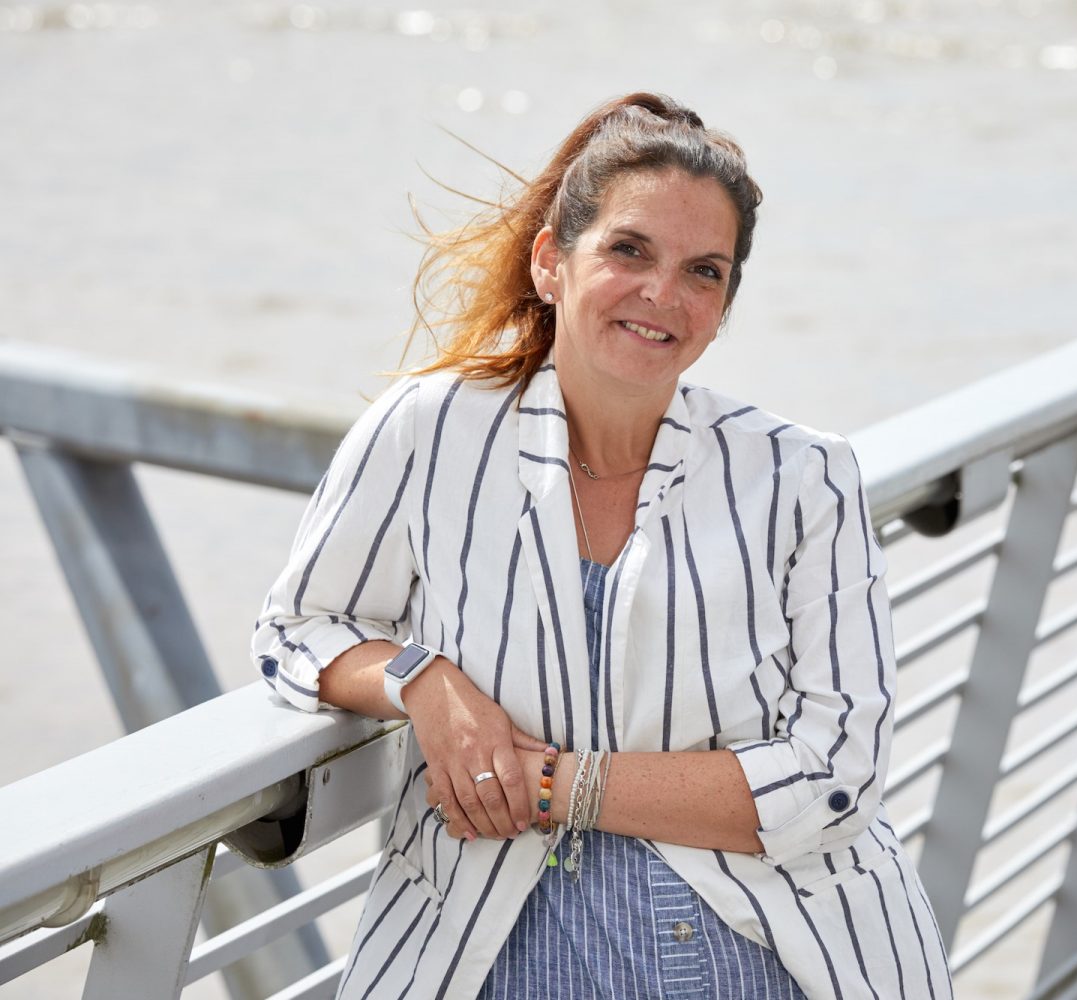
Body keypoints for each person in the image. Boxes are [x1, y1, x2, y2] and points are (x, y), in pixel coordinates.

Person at [252, 92, 954, 1000]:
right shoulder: (429, 430)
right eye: (629, 250)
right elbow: (298, 626)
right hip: (489, 952)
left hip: (766, 951)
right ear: (552, 260)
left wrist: (556, 788)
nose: (664, 294)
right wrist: (425, 681)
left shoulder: (804, 476)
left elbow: (836, 770)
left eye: (705, 271)